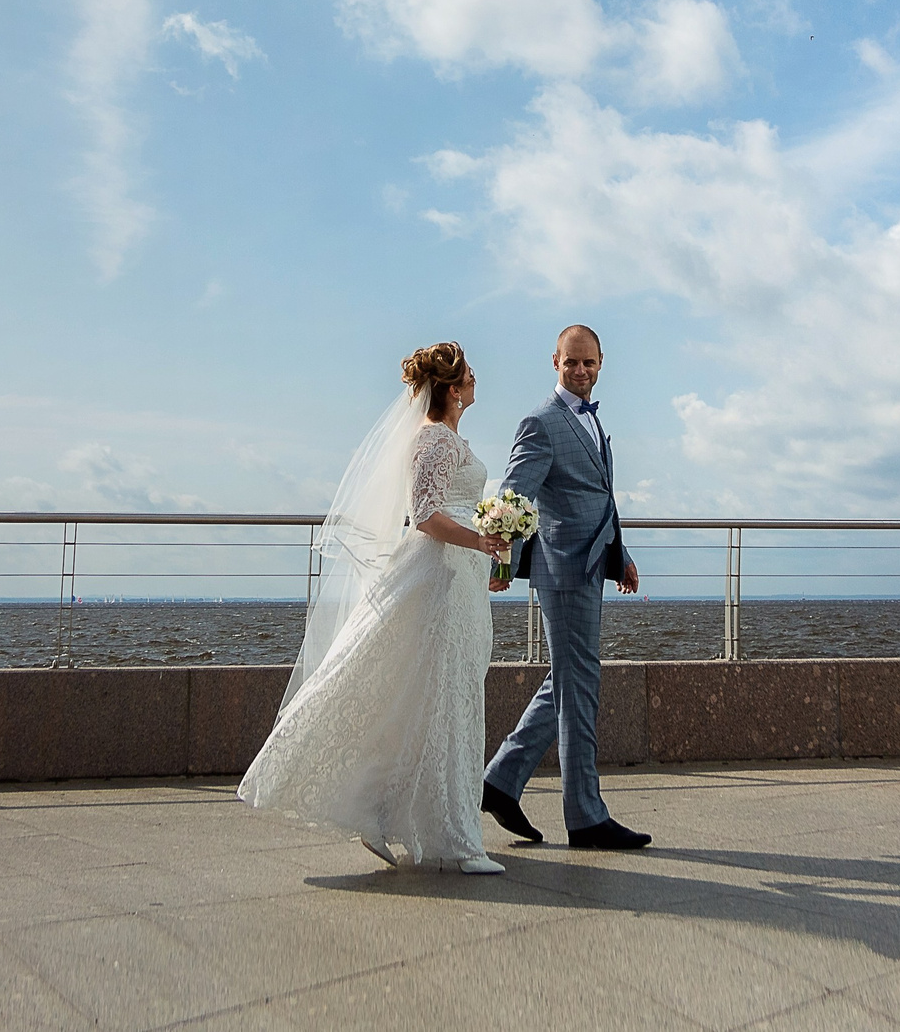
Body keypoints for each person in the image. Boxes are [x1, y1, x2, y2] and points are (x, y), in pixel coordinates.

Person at [237, 342, 513, 872]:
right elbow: (426, 514)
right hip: (437, 576)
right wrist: (480, 541)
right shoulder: (434, 439)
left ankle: (385, 816)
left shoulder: (444, 437)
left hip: (455, 577)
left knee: (430, 701)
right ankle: (455, 841)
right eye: (471, 375)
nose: (477, 381)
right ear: (453, 389)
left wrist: (489, 547)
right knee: (441, 701)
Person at [481, 324, 653, 850]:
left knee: (567, 680)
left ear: (601, 364)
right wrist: (503, 564)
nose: (581, 371)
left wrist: (618, 555)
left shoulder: (595, 424)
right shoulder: (541, 422)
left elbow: (600, 497)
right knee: (580, 686)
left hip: (592, 564)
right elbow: (514, 495)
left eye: (590, 364)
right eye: (571, 363)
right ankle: (585, 816)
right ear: (554, 361)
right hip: (563, 571)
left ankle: (500, 781)